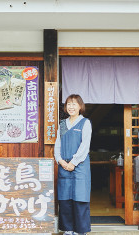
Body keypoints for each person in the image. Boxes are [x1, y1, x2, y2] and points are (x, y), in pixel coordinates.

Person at [54, 94, 92, 235]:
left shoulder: (85, 123)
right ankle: (68, 229)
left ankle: (80, 230)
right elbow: (57, 144)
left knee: (80, 198)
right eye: (69, 104)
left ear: (80, 106)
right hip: (64, 165)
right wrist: (60, 160)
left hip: (80, 166)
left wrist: (74, 162)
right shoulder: (62, 124)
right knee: (65, 199)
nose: (71, 107)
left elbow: (84, 146)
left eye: (74, 104)